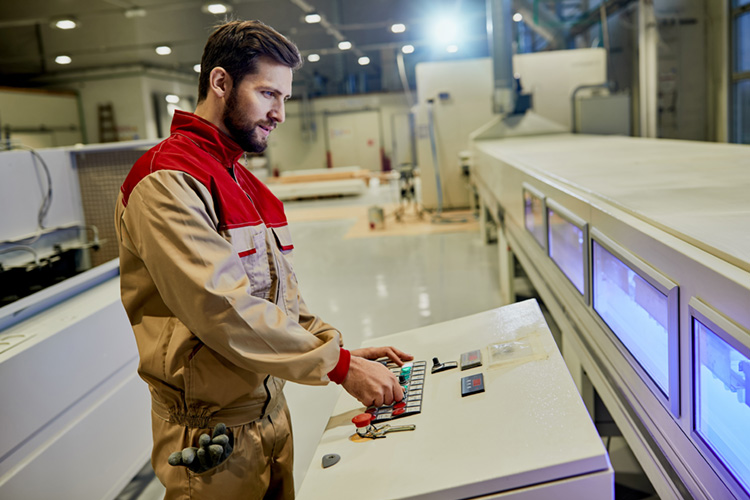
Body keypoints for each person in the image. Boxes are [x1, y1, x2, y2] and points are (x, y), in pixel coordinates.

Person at [115, 19, 412, 499]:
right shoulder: (167, 180)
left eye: (285, 99)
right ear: (220, 83)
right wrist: (338, 369)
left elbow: (277, 299)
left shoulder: (242, 182)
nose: (280, 114)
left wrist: (338, 351)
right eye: (268, 94)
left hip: (269, 413)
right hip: (211, 436)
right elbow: (222, 308)